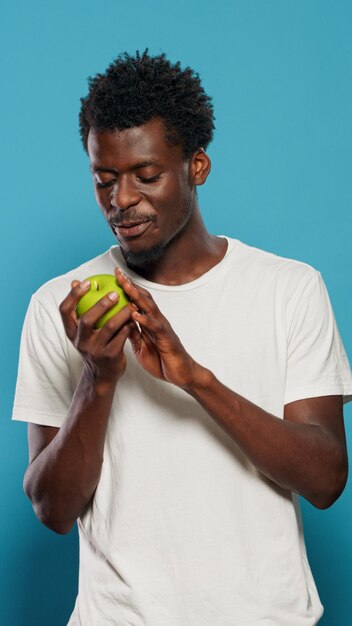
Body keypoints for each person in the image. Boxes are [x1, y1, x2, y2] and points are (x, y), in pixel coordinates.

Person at [12, 50, 352, 626]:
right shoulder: (59, 306)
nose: (121, 200)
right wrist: (98, 379)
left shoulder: (288, 289)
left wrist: (195, 379)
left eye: (146, 176)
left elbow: (325, 480)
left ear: (197, 167)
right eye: (104, 179)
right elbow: (53, 509)